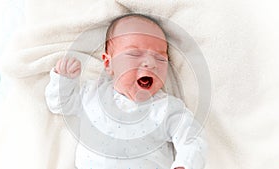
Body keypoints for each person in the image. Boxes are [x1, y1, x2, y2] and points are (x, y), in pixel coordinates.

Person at [45, 13, 206, 169]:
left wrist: (185, 164)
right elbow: (60, 104)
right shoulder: (93, 94)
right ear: (108, 64)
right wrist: (63, 80)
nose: (150, 63)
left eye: (160, 58)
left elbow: (192, 139)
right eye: (135, 53)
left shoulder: (167, 109)